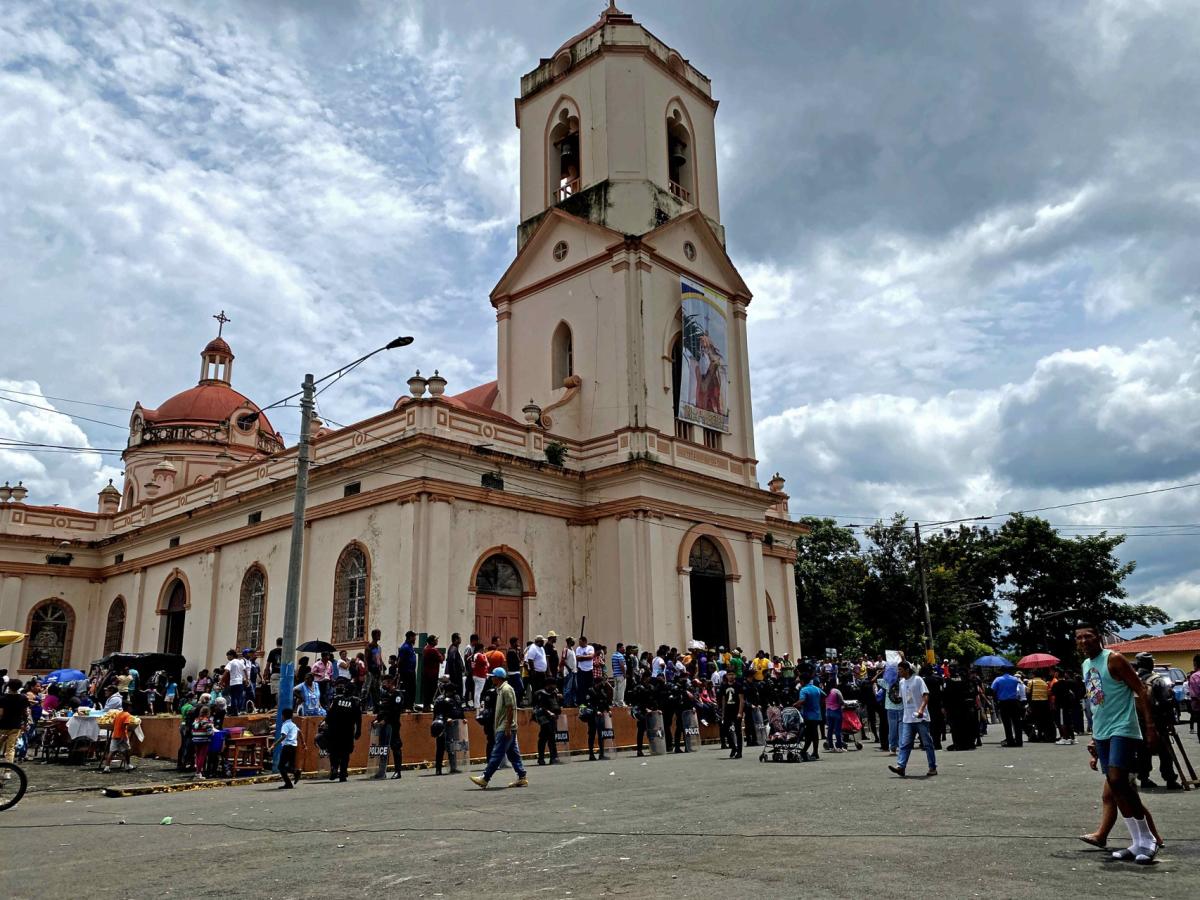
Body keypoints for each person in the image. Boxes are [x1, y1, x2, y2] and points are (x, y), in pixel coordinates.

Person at [1077, 624, 1161, 863]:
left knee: (1117, 780)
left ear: (1099, 638)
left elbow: (1141, 690)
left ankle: (1149, 839)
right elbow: (1096, 703)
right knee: (1117, 788)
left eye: (1088, 636)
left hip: (1123, 728)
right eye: (1079, 638)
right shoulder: (1086, 665)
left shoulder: (1114, 659)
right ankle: (1137, 843)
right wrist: (1094, 736)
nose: (1084, 641)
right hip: (1102, 732)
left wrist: (1150, 727)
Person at [470, 668, 529, 789]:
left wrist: (507, 727)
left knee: (497, 754)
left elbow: (510, 708)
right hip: (504, 727)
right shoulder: (500, 690)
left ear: (499, 678)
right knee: (513, 754)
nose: (491, 678)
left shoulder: (507, 690)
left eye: (493, 676)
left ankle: (485, 778)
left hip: (505, 727)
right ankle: (522, 777)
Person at [1133, 652, 1181, 790]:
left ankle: (1144, 778)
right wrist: (1170, 721)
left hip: (1138, 722)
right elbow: (1166, 702)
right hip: (1157, 721)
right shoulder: (1157, 680)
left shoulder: (1133, 680)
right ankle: (1170, 778)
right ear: (1150, 664)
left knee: (1142, 751)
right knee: (1165, 751)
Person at [888, 659, 937, 777]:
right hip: (907, 718)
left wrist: (920, 709)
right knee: (905, 744)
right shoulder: (901, 683)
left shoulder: (918, 680)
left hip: (921, 718)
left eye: (900, 670)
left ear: (907, 670)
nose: (898, 672)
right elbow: (903, 699)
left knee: (927, 744)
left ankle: (932, 767)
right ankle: (901, 766)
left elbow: (925, 695)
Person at [324, 680, 362, 783]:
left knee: (333, 751)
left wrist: (326, 725)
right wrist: (358, 731)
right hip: (347, 731)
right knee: (345, 753)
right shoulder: (356, 702)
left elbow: (329, 715)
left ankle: (334, 768)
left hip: (335, 730)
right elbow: (358, 719)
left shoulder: (337, 699)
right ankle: (342, 773)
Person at [373, 674, 405, 779]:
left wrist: (385, 721)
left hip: (393, 725)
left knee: (395, 746)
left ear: (391, 683)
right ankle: (382, 771)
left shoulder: (397, 695)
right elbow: (382, 710)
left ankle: (397, 771)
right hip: (383, 726)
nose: (383, 684)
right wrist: (377, 720)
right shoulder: (385, 695)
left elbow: (395, 712)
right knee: (383, 748)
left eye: (385, 682)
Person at [431, 675, 464, 776]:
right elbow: (437, 714)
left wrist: (463, 718)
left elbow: (459, 710)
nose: (453, 693)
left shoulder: (456, 698)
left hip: (454, 725)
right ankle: (438, 769)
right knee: (441, 748)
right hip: (443, 726)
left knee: (453, 747)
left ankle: (453, 767)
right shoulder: (440, 700)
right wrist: (446, 719)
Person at [991, 667, 1024, 747]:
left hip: (1003, 703)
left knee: (1007, 723)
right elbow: (1020, 686)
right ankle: (1019, 741)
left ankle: (1010, 741)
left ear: (1002, 672)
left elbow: (992, 689)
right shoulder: (1015, 679)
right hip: (1014, 702)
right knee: (1016, 722)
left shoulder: (998, 679)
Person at [272, 708, 304, 789]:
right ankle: (295, 772)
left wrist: (274, 745)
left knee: (281, 767)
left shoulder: (285, 725)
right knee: (290, 766)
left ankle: (290, 781)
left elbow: (284, 736)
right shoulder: (293, 724)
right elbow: (300, 733)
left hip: (287, 747)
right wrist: (303, 743)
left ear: (283, 716)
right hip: (293, 747)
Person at [101, 700, 136, 774]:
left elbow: (113, 724)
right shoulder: (127, 715)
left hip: (115, 735)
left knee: (111, 752)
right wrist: (124, 736)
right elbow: (125, 726)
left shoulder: (118, 714)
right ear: (128, 707)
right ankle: (128, 765)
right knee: (127, 751)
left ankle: (106, 767)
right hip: (122, 736)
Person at [0, 679, 31, 763]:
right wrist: (25, 723)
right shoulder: (23, 698)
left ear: (9, 686)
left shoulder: (3, 698)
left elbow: (1, 714)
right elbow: (25, 713)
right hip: (16, 725)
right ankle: (7, 771)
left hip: (3, 725)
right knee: (10, 748)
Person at [533, 679, 562, 765]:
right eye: (553, 685)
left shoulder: (553, 694)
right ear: (548, 685)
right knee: (545, 738)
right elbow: (539, 707)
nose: (555, 687)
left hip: (553, 719)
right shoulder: (540, 694)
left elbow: (556, 705)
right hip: (544, 719)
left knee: (550, 738)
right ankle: (543, 758)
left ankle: (552, 757)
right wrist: (549, 713)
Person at [585, 674, 613, 761]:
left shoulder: (601, 690)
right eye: (601, 682)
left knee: (601, 735)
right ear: (597, 683)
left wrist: (608, 710)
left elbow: (604, 701)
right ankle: (591, 754)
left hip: (600, 716)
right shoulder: (590, 690)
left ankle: (602, 754)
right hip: (593, 716)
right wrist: (595, 711)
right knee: (592, 735)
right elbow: (588, 704)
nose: (602, 684)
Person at [799, 676, 824, 761]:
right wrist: (818, 703)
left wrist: (795, 704)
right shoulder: (816, 688)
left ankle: (804, 751)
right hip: (817, 714)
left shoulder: (803, 690)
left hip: (808, 715)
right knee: (815, 733)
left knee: (809, 734)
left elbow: (802, 700)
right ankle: (815, 752)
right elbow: (825, 695)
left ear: (802, 681)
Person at [719, 670, 743, 759]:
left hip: (736, 711)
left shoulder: (738, 686)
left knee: (738, 731)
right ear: (726, 676)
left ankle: (739, 752)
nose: (731, 676)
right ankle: (733, 747)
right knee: (725, 730)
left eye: (732, 674)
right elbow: (723, 700)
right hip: (728, 711)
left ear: (735, 676)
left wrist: (740, 712)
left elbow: (741, 700)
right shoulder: (724, 686)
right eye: (729, 674)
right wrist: (723, 713)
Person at [1051, 667, 1078, 746]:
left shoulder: (1056, 684)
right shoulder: (1069, 682)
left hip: (1061, 705)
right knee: (1069, 721)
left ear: (1057, 674)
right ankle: (1072, 737)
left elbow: (1053, 694)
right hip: (1068, 704)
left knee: (1062, 722)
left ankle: (1065, 738)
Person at [190, 705, 215, 780]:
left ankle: (197, 772)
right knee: (202, 756)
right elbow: (210, 733)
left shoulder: (196, 720)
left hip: (196, 740)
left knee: (197, 756)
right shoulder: (207, 721)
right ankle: (198, 773)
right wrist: (213, 731)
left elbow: (192, 730)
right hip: (204, 740)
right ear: (208, 713)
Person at [1028, 669, 1053, 742]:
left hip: (1035, 703)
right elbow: (1048, 693)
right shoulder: (1044, 683)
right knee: (1043, 720)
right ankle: (1042, 734)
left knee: (1036, 719)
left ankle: (1038, 735)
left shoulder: (1031, 682)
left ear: (1034, 675)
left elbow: (1028, 692)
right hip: (1044, 703)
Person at [364, 629, 384, 711]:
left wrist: (382, 664)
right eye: (378, 634)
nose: (379, 636)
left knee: (376, 689)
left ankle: (376, 707)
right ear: (374, 635)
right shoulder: (369, 647)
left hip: (377, 671)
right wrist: (367, 670)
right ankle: (363, 707)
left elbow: (379, 657)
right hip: (371, 671)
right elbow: (366, 659)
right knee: (367, 689)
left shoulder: (379, 647)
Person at [421, 635, 443, 710]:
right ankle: (427, 706)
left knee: (426, 690)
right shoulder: (433, 650)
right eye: (435, 640)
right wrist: (441, 655)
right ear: (432, 641)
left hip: (426, 673)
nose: (437, 641)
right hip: (432, 673)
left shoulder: (425, 648)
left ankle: (426, 706)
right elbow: (441, 659)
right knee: (431, 690)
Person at [397, 631, 417, 711]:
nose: (415, 639)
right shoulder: (404, 647)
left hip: (411, 671)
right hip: (406, 672)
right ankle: (406, 706)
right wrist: (400, 672)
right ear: (410, 637)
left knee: (412, 689)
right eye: (414, 637)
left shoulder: (410, 646)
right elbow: (400, 661)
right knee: (407, 690)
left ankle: (411, 706)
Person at [825, 681, 846, 752]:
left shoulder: (825, 691)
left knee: (830, 730)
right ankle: (839, 746)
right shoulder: (836, 691)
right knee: (837, 730)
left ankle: (831, 747)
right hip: (836, 711)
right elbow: (841, 701)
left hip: (828, 712)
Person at [445, 633, 465, 700]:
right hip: (455, 676)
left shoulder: (454, 648)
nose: (461, 639)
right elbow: (451, 661)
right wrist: (454, 675)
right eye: (459, 638)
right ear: (456, 639)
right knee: (457, 691)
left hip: (456, 675)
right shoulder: (453, 649)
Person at [470, 641, 489, 711]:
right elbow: (486, 664)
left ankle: (476, 704)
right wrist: (485, 658)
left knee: (476, 690)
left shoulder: (474, 655)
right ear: (481, 648)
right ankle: (477, 705)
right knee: (478, 691)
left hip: (475, 674)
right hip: (480, 675)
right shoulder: (480, 655)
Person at [561, 637, 578, 706]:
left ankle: (573, 702)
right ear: (569, 641)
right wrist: (569, 668)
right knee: (568, 688)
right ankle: (566, 703)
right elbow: (563, 660)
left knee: (574, 687)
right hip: (568, 672)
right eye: (573, 641)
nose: (574, 642)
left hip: (574, 671)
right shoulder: (565, 650)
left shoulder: (572, 649)